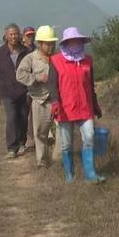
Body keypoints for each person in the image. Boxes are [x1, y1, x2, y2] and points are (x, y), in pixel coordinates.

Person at [48, 27, 104, 183]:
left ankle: (91, 174)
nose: (76, 43)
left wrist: (96, 105)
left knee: (89, 137)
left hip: (85, 107)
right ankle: (69, 175)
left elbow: (90, 85)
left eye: (78, 41)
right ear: (66, 43)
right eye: (73, 41)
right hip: (65, 108)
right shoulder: (56, 61)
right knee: (66, 144)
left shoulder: (87, 60)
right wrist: (54, 101)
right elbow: (52, 85)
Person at [16, 26, 58, 168]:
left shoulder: (58, 59)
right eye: (48, 43)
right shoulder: (31, 58)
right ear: (40, 43)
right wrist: (37, 77)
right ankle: (42, 162)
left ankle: (58, 159)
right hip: (40, 100)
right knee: (40, 133)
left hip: (57, 100)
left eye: (53, 43)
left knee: (61, 131)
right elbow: (20, 74)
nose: (51, 46)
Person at [0, 23, 32, 159]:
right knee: (11, 118)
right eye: (11, 34)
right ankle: (11, 147)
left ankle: (21, 143)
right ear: (6, 36)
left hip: (24, 91)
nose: (13, 36)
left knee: (23, 118)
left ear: (19, 35)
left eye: (16, 34)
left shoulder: (26, 52)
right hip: (7, 92)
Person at [22, 26, 37, 151]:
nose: (30, 37)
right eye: (28, 35)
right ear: (24, 36)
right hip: (22, 87)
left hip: (34, 86)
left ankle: (31, 138)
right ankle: (22, 138)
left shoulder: (37, 50)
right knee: (23, 113)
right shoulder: (20, 51)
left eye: (32, 35)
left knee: (33, 113)